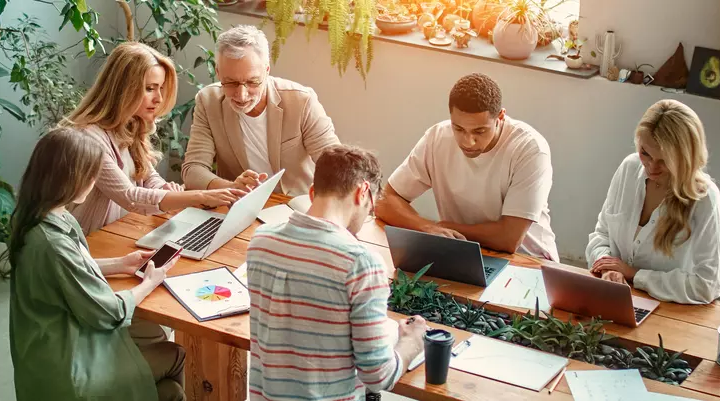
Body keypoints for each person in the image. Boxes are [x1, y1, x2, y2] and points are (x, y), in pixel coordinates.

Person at [6, 127, 186, 401]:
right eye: (90, 175)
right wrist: (150, 282)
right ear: (72, 179)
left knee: (169, 392)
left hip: (42, 360)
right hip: (70, 372)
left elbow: (66, 270)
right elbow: (109, 312)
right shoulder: (53, 241)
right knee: (175, 356)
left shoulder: (33, 218)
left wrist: (119, 264)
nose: (93, 183)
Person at [246, 145, 427, 401]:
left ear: (312, 193)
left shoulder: (260, 241)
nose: (368, 214)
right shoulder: (361, 263)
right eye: (371, 206)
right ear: (363, 192)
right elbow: (378, 376)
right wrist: (411, 342)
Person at [376, 73, 559, 262]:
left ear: (501, 117)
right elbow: (384, 201)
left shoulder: (530, 149)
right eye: (459, 129)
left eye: (480, 131)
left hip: (528, 261)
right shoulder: (437, 138)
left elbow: (509, 238)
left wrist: (444, 227)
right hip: (462, 253)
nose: (468, 142)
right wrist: (428, 228)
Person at [68, 42, 246, 236]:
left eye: (160, 88)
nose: (159, 98)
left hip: (123, 232)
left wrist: (166, 189)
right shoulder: (90, 140)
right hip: (91, 244)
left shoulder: (130, 126)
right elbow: (131, 197)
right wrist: (199, 196)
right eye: (150, 88)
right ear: (122, 89)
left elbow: (148, 177)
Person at [586, 99, 720, 304]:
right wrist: (608, 269)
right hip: (612, 298)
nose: (651, 167)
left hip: (670, 312)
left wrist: (634, 274)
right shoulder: (629, 168)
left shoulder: (703, 198)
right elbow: (601, 235)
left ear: (685, 157)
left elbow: (707, 286)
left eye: (664, 160)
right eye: (645, 153)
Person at [181, 25, 341, 196]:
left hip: (294, 205)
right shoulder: (208, 101)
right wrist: (231, 187)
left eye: (252, 82)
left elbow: (336, 165)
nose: (241, 96)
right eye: (231, 82)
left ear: (266, 71)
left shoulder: (302, 101)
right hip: (239, 205)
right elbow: (193, 169)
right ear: (218, 72)